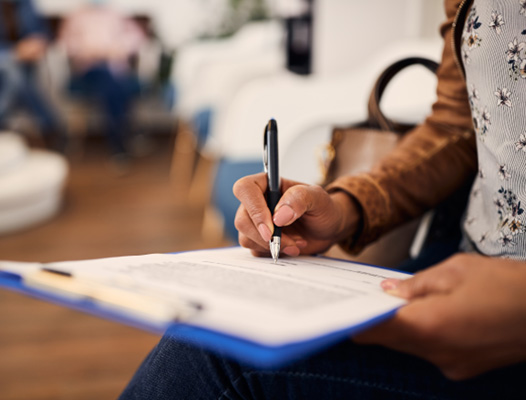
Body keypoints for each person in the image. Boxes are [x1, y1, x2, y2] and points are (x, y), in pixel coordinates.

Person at [119, 0, 526, 398]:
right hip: (461, 259)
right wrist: (346, 206)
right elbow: (456, 126)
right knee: (221, 331)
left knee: (214, 358)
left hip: (500, 314)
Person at [59, 0, 146, 159]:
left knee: (113, 84)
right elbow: (67, 44)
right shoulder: (76, 16)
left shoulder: (116, 14)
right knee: (112, 82)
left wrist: (119, 48)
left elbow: (136, 38)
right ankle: (124, 139)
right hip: (89, 69)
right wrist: (89, 51)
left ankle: (118, 143)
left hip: (115, 69)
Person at [0, 0, 67, 151]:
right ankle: (51, 127)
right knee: (14, 74)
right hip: (5, 64)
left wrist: (38, 42)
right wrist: (14, 53)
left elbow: (43, 31)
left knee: (18, 77)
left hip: (26, 65)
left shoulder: (26, 4)